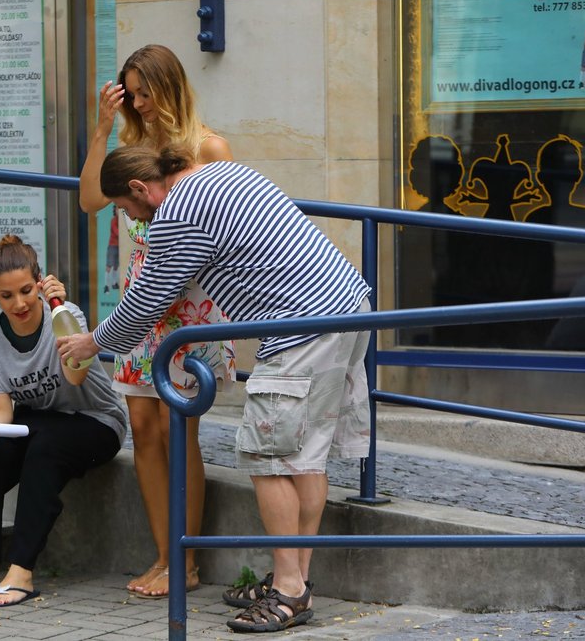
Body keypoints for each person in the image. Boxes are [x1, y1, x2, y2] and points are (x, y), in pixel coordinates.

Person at [57, 144, 372, 633]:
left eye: (125, 208)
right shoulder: (219, 173)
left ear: (140, 189)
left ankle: (289, 591)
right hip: (346, 306)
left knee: (270, 460)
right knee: (305, 456)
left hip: (300, 327)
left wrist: (91, 341)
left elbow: (145, 305)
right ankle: (297, 580)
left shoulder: (176, 213)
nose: (131, 217)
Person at [77, 43, 236, 598]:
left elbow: (230, 218)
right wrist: (101, 130)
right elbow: (91, 200)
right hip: (139, 304)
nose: (140, 104)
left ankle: (185, 562)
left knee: (179, 427)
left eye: (147, 92)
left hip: (190, 302)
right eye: (132, 94)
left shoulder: (207, 147)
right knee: (142, 427)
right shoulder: (131, 145)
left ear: (171, 87)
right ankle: (165, 555)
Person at [0, 235, 127, 607]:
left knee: (44, 448)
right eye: (7, 296)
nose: (20, 303)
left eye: (27, 291)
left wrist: (60, 312)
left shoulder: (65, 314)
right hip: (37, 420)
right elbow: (2, 413)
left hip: (95, 421)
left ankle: (22, 571)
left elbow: (75, 378)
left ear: (40, 282)